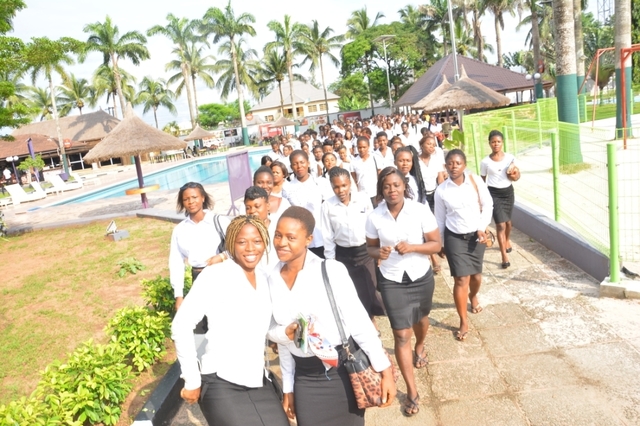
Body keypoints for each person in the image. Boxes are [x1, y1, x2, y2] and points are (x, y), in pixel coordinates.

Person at [268, 207, 396, 426]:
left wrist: (385, 371)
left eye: (291, 237)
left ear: (308, 239)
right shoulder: (272, 279)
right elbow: (283, 340)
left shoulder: (330, 270)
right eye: (278, 235)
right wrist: (288, 387)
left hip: (341, 373)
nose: (281, 243)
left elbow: (359, 323)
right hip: (305, 378)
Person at [172, 215, 289, 426]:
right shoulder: (215, 275)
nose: (250, 248)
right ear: (231, 243)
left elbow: (266, 328)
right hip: (221, 381)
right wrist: (191, 379)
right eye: (242, 242)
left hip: (257, 379)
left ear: (265, 242)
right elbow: (181, 325)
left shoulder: (265, 278)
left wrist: (287, 332)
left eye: (257, 241)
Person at [365, 167, 441, 417]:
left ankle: (420, 346)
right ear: (381, 189)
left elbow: (436, 244)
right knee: (400, 334)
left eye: (396, 185)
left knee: (421, 319)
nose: (392, 190)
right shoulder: (375, 216)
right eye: (386, 186)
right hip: (391, 279)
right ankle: (412, 392)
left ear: (404, 186)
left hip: (420, 276)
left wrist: (413, 247)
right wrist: (379, 252)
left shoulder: (419, 210)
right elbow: (370, 248)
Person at [435, 149, 493, 342]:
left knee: (476, 277)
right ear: (445, 166)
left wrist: (482, 228)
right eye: (450, 163)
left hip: (476, 237)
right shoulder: (442, 190)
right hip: (454, 238)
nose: (454, 167)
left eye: (458, 163)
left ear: (464, 165)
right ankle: (463, 321)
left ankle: (473, 296)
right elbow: (439, 219)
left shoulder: (475, 182)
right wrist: (440, 243)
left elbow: (488, 205)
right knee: (461, 279)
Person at [321, 167, 385, 320]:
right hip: (344, 255)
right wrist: (330, 261)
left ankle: (371, 319)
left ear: (350, 183)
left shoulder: (362, 199)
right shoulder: (327, 206)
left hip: (365, 252)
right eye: (336, 187)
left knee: (370, 288)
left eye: (344, 185)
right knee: (353, 291)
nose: (341, 190)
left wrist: (378, 249)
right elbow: (327, 236)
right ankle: (366, 322)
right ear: (331, 187)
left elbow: (373, 226)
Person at [168, 182, 229, 312]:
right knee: (204, 318)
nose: (191, 202)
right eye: (186, 199)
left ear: (203, 198)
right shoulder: (180, 230)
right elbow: (176, 262)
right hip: (198, 278)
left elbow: (238, 248)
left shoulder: (219, 221)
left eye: (194, 197)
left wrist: (222, 256)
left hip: (221, 276)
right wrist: (179, 295)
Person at [480, 130, 520, 269]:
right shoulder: (485, 162)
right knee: (500, 225)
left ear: (502, 142)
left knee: (508, 223)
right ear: (489, 143)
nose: (496, 144)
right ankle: (504, 256)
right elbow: (482, 181)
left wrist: (514, 174)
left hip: (508, 193)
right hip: (494, 194)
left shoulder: (510, 158)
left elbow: (517, 176)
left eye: (498, 141)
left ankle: (506, 240)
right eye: (493, 142)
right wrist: (481, 198)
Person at [282, 150, 327, 258]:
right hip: (299, 238)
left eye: (302, 162)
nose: (299, 166)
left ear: (308, 163)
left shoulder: (320, 183)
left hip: (321, 236)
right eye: (295, 164)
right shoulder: (287, 188)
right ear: (291, 167)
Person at [351, 136, 380, 207]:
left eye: (364, 147)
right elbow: (354, 179)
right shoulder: (354, 162)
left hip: (374, 193)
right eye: (359, 147)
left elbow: (379, 174)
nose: (362, 149)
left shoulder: (375, 158)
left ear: (368, 147)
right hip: (362, 194)